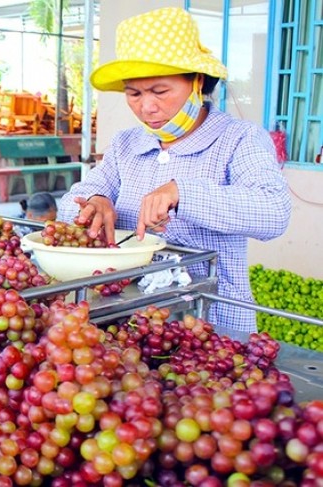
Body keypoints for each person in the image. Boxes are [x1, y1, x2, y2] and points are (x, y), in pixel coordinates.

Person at [57, 7, 291, 334]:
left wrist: (183, 193)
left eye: (160, 91)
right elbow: (70, 205)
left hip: (212, 324)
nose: (147, 107)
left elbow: (273, 211)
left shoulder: (240, 139)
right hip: (131, 320)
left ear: (196, 81)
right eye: (134, 94)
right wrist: (95, 201)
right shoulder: (126, 144)